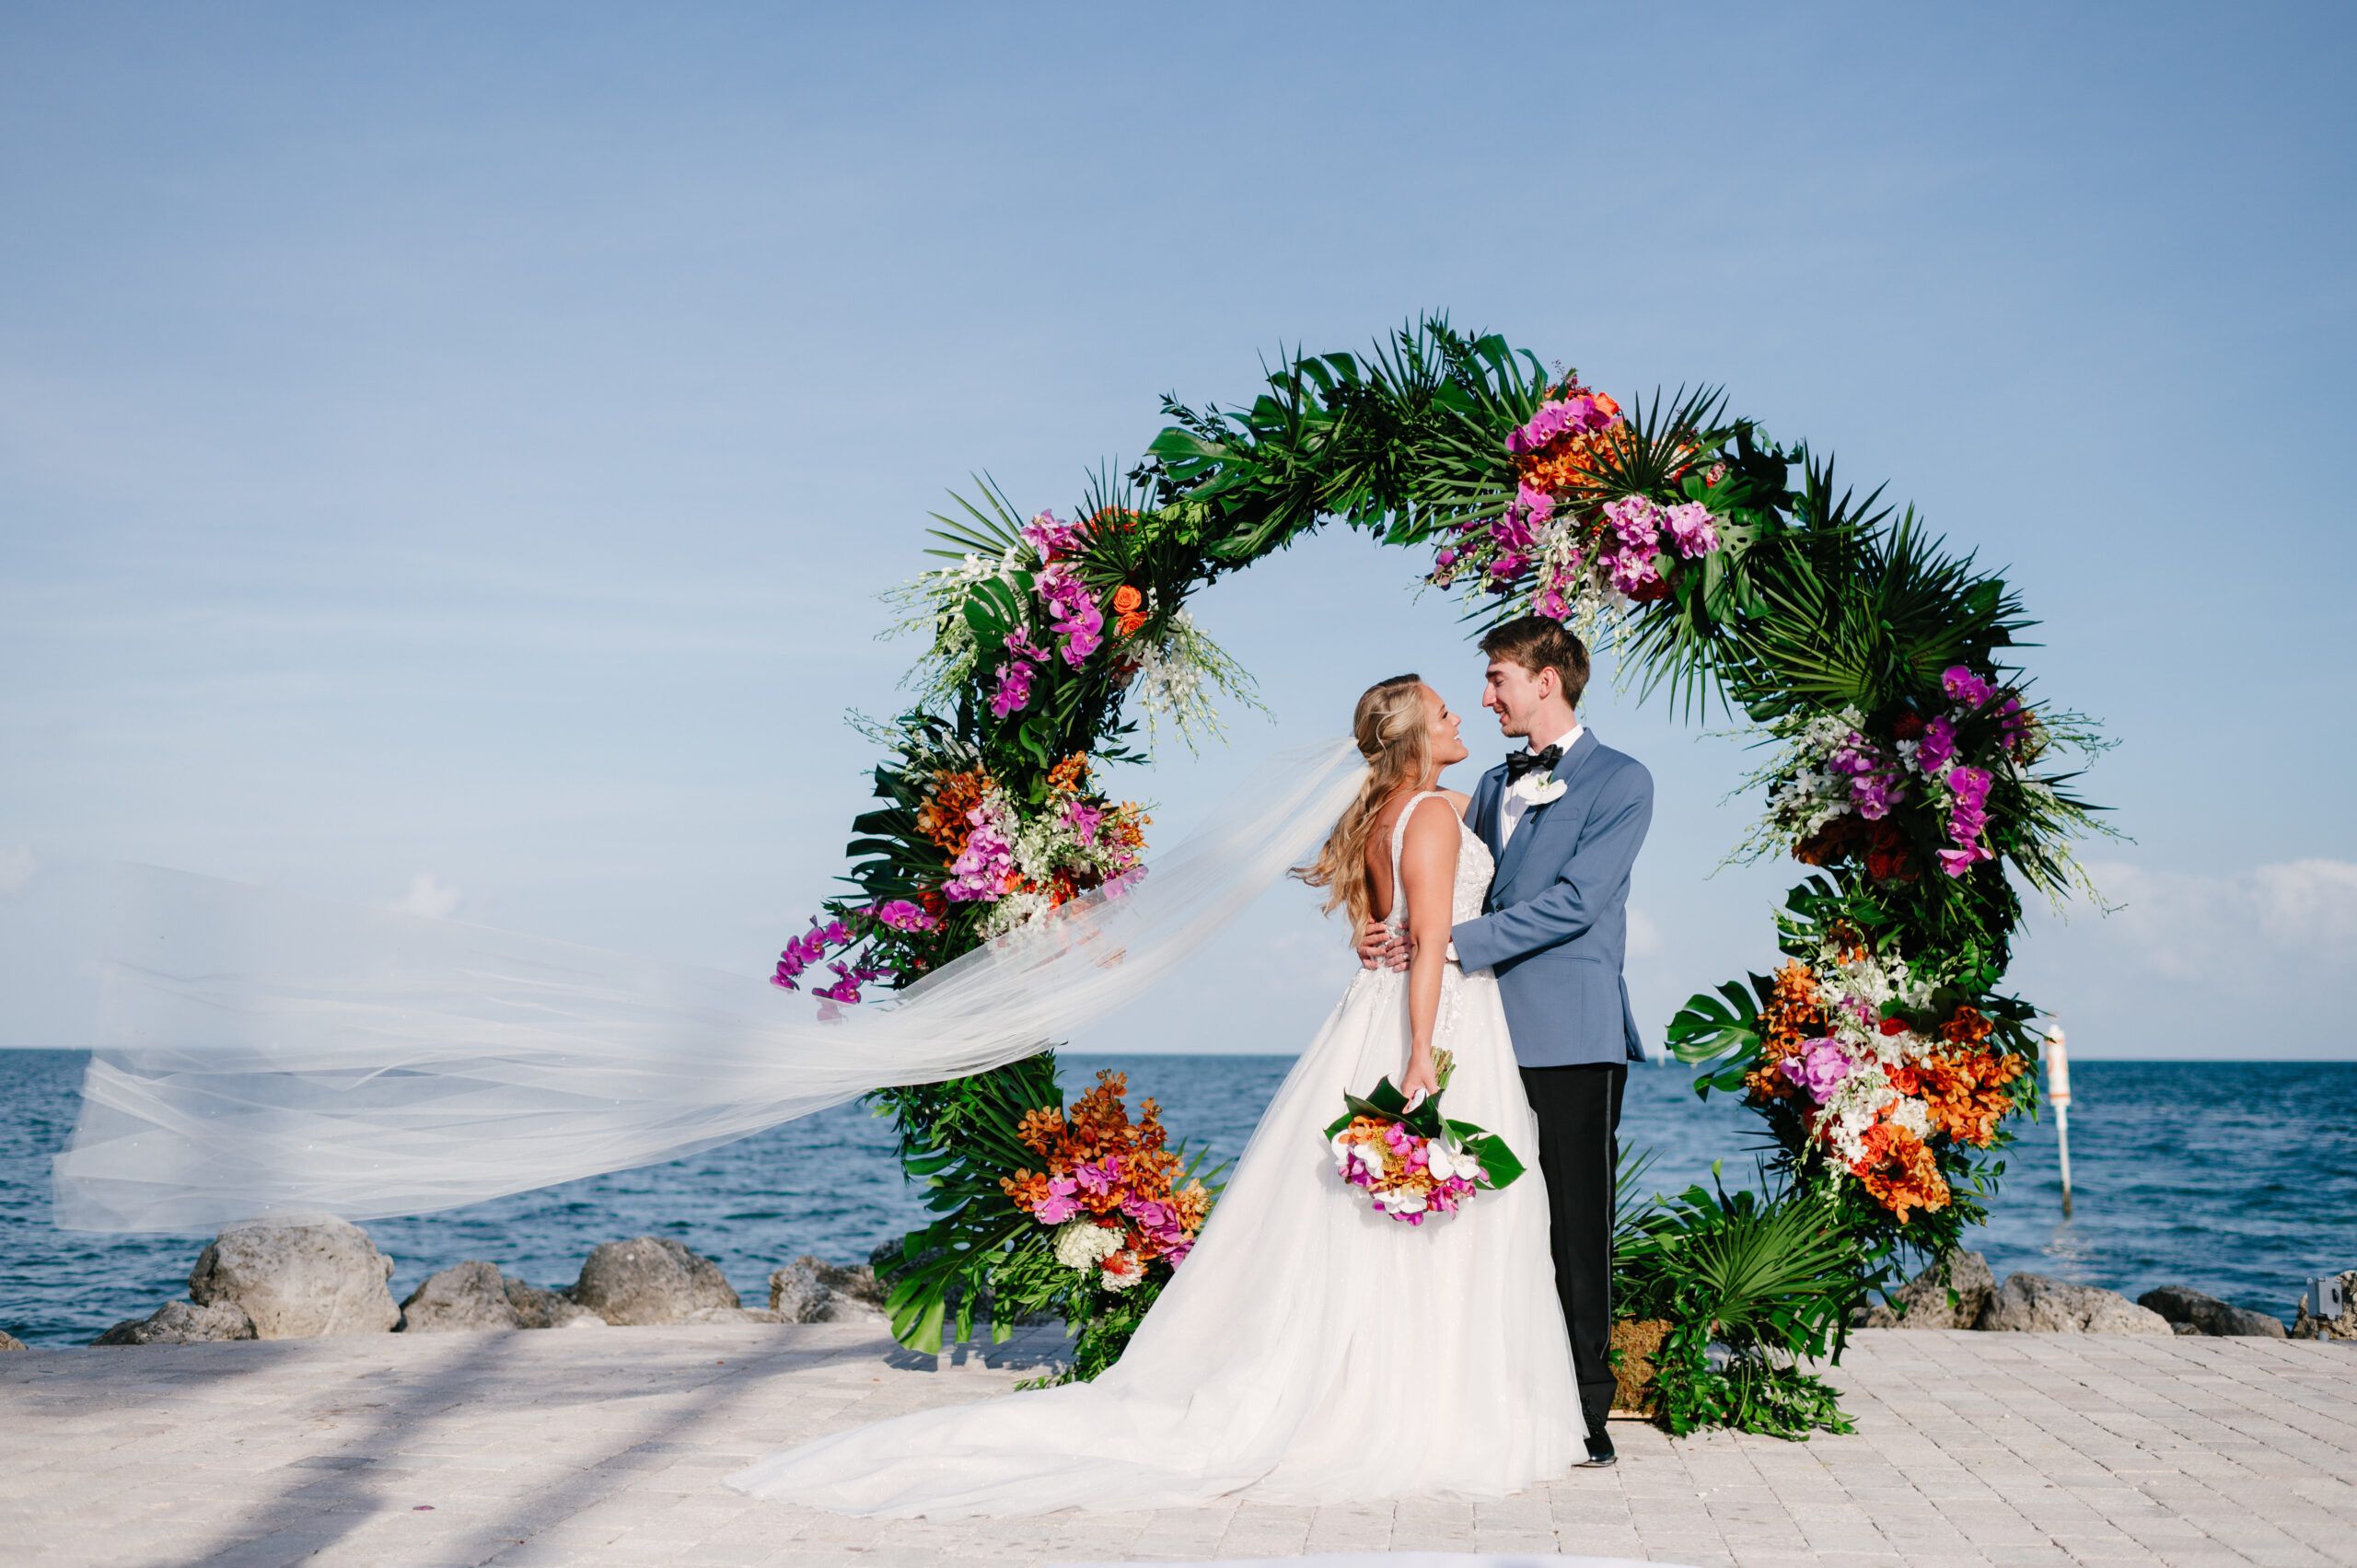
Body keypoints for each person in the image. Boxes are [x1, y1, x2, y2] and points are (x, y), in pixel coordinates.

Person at [725, 673, 1586, 1516]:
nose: (1460, 716)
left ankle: (1374, 1387)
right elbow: (1430, 939)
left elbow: (1379, 925)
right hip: (1431, 1023)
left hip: (1372, 1016)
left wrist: (1376, 941)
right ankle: (1426, 1407)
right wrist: (1426, 1057)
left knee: (1370, 1222)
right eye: (1443, 709)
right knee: (1445, 1217)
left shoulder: (1380, 819)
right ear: (1411, 736)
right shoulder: (1433, 810)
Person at [1357, 616, 1654, 1468]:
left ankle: (1586, 1409)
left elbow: (1577, 901)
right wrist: (1381, 933)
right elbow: (1417, 850)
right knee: (1490, 1221)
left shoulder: (1623, 781)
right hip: (1478, 1030)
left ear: (1546, 680)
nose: (1487, 696)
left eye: (1497, 679)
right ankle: (1487, 1394)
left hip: (1570, 1031)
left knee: (1573, 1221)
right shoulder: (1489, 782)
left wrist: (1447, 943)